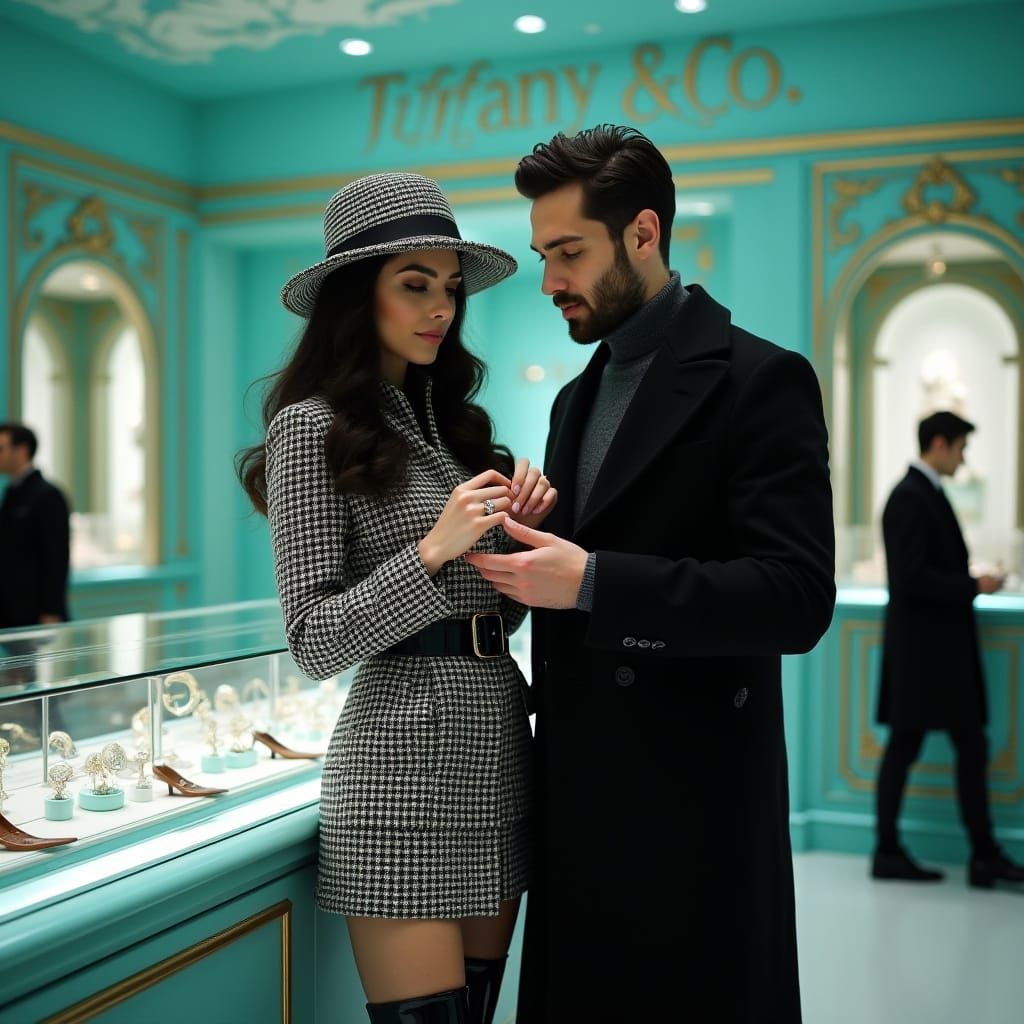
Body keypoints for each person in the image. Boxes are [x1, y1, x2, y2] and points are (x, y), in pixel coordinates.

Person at [465, 125, 836, 1023]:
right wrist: (514, 553)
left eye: (568, 253)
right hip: (576, 795)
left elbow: (796, 601)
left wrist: (594, 582)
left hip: (693, 811)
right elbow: (576, 568)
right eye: (542, 253)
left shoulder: (761, 378)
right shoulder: (572, 398)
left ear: (642, 235)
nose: (549, 279)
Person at [237, 172, 558, 1024]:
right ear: (357, 295)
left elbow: (498, 618)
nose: (440, 309)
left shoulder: (453, 431)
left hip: (499, 748)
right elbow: (314, 640)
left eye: (449, 289)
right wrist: (432, 549)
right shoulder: (308, 427)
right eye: (414, 284)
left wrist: (519, 543)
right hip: (399, 770)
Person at [872, 410, 1024, 888]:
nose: (963, 458)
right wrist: (972, 584)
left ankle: (972, 854)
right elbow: (912, 577)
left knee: (946, 744)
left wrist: (968, 582)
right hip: (926, 654)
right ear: (939, 443)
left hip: (932, 652)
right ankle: (902, 851)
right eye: (961, 447)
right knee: (913, 746)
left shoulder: (921, 494)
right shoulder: (910, 497)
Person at [0, 422, 71, 629]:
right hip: (9, 609)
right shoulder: (11, 493)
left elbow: (57, 557)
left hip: (34, 610)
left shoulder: (48, 495)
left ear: (21, 451)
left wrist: (51, 610)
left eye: (1, 449)